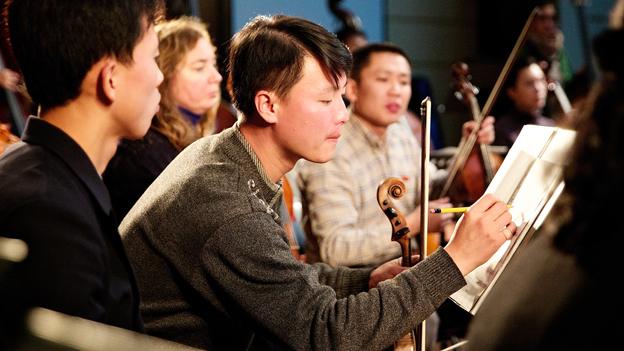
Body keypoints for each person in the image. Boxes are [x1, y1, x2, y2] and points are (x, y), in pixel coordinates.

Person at [120, 15, 515, 350]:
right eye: (326, 101)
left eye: (341, 99)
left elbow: (283, 281)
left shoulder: (228, 158)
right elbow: (326, 335)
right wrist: (457, 260)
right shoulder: (226, 202)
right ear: (268, 105)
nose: (343, 115)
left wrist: (365, 279)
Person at [0, 0, 164, 346]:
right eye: (154, 58)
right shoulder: (47, 213)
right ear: (111, 79)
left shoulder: (45, 179)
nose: (160, 76)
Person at [465, 22, 624, 351]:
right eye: (528, 84)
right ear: (511, 91)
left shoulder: (555, 129)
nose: (538, 90)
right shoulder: (509, 130)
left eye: (541, 83)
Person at [297, 43, 497, 268]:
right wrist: (413, 224)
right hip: (352, 289)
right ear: (352, 90)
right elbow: (336, 249)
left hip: (405, 275)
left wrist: (468, 149)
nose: (396, 91)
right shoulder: (330, 148)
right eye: (383, 80)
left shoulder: (400, 131)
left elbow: (433, 188)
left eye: (403, 82)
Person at [104, 16, 222, 219]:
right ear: (164, 75)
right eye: (199, 67)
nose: (216, 77)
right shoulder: (142, 154)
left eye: (214, 64)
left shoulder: (197, 139)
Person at [493, 57, 554, 148]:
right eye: (529, 83)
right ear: (512, 92)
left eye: (541, 80)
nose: (538, 88)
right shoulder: (502, 131)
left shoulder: (552, 125)